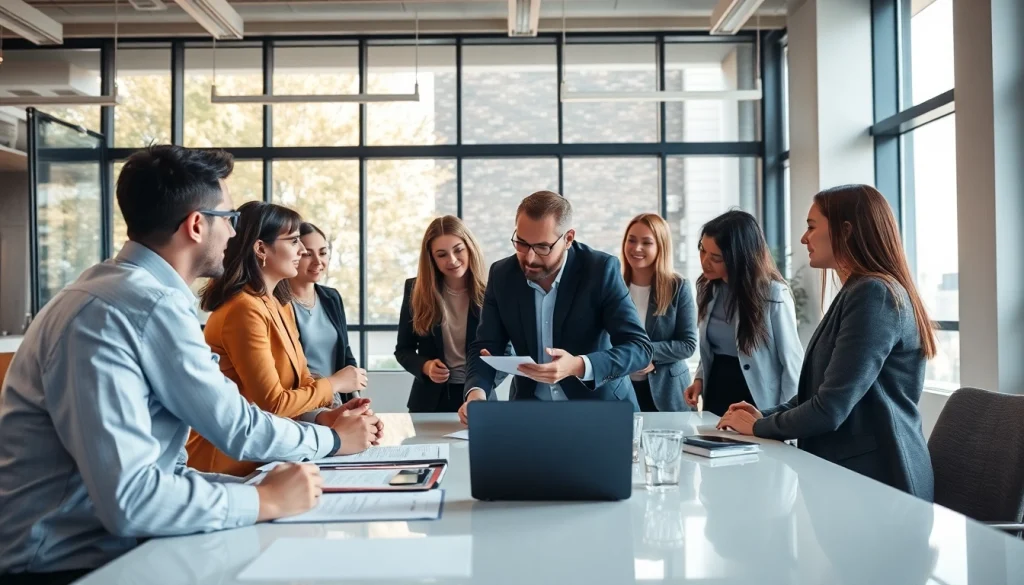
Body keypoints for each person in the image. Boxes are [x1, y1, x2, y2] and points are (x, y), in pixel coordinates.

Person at [0, 146, 380, 584]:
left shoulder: (133, 296)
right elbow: (135, 498)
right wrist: (273, 493)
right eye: (230, 218)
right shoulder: (127, 308)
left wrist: (272, 482)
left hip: (114, 550)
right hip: (64, 568)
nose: (235, 232)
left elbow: (195, 448)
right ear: (197, 225)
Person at [719, 184, 937, 501]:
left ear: (846, 231)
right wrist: (762, 417)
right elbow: (820, 391)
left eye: (811, 227)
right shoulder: (857, 291)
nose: (803, 238)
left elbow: (829, 409)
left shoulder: (873, 294)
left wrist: (759, 427)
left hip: (881, 484)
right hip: (853, 475)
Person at [187, 202, 376, 477]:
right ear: (261, 249)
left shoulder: (278, 304)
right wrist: (336, 383)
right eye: (294, 241)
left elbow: (301, 381)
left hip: (271, 454)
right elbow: (273, 404)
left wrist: (328, 415)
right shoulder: (243, 309)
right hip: (231, 466)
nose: (301, 250)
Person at [459, 190, 653, 423]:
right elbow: (485, 345)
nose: (529, 258)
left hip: (601, 412)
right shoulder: (502, 275)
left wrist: (578, 366)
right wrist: (476, 394)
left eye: (542, 247)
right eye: (521, 243)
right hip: (530, 413)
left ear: (568, 238)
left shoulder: (600, 269)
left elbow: (639, 348)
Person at [683, 210, 803, 417]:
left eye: (716, 257)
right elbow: (711, 347)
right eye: (702, 250)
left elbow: (791, 363)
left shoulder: (774, 294)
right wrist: (699, 379)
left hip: (757, 394)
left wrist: (784, 418)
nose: (705, 262)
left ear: (738, 258)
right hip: (717, 389)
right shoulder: (707, 288)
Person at [395, 216, 500, 412]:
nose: (452, 260)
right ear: (431, 259)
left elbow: (507, 352)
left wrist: (481, 386)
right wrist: (425, 366)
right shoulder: (415, 290)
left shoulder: (492, 291)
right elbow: (403, 350)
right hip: (429, 402)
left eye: (458, 250)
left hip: (479, 398)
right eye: (441, 254)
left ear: (470, 248)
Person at [620, 213, 698, 412]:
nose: (637, 248)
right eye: (632, 240)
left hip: (668, 393)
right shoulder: (614, 286)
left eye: (646, 242)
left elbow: (687, 345)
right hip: (622, 389)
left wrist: (645, 354)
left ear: (660, 247)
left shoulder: (678, 287)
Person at [289, 222, 366, 406]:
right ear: (294, 255)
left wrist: (356, 398)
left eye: (323, 253)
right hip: (301, 402)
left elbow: (345, 353)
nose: (318, 261)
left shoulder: (331, 297)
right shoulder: (278, 302)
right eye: (308, 254)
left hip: (337, 400)